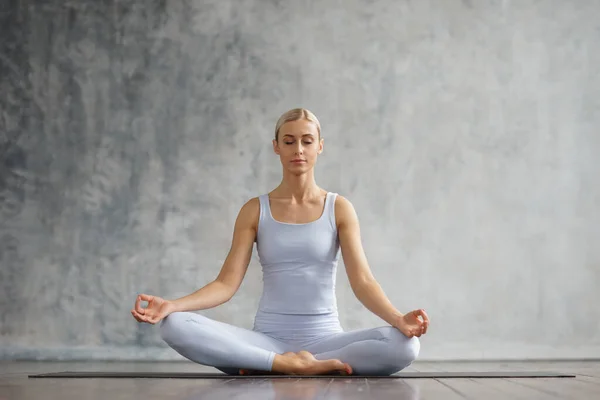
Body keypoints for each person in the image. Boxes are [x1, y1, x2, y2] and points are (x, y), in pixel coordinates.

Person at [131, 108, 430, 376]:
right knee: (175, 325)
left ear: (320, 146)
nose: (298, 149)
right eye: (288, 141)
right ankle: (285, 363)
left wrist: (397, 319)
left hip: (327, 340)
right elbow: (225, 284)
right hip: (267, 339)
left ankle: (279, 362)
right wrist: (172, 305)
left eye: (307, 141)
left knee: (405, 346)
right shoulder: (254, 210)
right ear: (276, 147)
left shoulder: (338, 208)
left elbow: (363, 282)